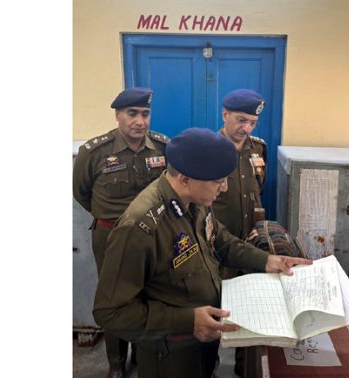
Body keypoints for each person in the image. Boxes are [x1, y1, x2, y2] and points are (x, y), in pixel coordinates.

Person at [92, 128, 312, 378]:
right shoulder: (140, 228)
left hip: (204, 340)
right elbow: (110, 312)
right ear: (185, 178)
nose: (225, 188)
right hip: (170, 355)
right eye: (219, 181)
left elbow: (222, 242)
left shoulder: (195, 202)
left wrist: (268, 260)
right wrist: (187, 321)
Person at [73, 87, 169, 378]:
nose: (140, 121)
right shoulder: (95, 151)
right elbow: (81, 192)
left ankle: (142, 357)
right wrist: (112, 219)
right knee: (115, 299)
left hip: (153, 234)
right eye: (132, 113)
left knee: (149, 294)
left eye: (145, 114)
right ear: (118, 115)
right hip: (110, 235)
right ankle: (116, 364)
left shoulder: (163, 148)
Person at [211, 88, 267, 376]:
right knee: (212, 311)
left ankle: (245, 368)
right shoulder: (208, 148)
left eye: (252, 123)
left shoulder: (257, 149)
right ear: (224, 115)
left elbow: (256, 191)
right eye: (240, 120)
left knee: (249, 312)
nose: (246, 128)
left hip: (250, 244)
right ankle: (208, 366)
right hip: (215, 246)